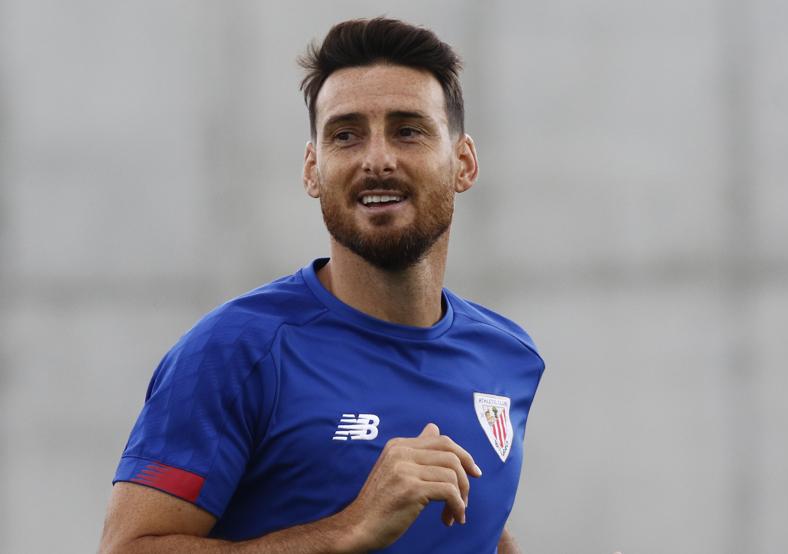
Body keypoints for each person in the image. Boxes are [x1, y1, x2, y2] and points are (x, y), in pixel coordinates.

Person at [98, 17, 544, 554]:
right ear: (314, 169)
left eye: (408, 130)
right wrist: (347, 531)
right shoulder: (238, 351)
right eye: (346, 135)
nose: (377, 159)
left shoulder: (507, 356)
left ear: (463, 163)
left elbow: (474, 534)